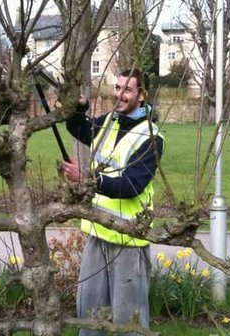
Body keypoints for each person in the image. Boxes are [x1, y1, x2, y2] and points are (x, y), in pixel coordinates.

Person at [62, 69, 164, 335]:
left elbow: (131, 186)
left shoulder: (152, 137)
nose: (120, 95)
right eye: (117, 88)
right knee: (90, 314)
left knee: (128, 320)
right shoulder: (110, 122)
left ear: (142, 95)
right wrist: (79, 107)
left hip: (128, 240)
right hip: (98, 232)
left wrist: (86, 179)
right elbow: (78, 128)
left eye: (127, 90)